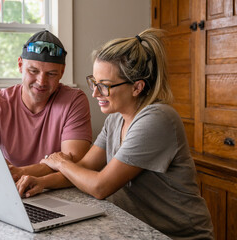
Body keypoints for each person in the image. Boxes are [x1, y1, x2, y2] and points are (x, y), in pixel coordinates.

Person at [16, 28, 214, 239]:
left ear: (137, 87)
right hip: (136, 230)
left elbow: (100, 186)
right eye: (94, 82)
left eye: (105, 86)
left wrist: (61, 162)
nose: (94, 93)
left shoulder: (158, 119)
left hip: (176, 236)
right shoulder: (115, 119)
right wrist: (42, 183)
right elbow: (83, 169)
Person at [0, 30, 92, 180]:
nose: (41, 82)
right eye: (33, 71)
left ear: (62, 72)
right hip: (8, 186)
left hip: (55, 189)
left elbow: (74, 165)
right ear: (20, 65)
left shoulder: (74, 101)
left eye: (51, 74)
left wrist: (18, 172)